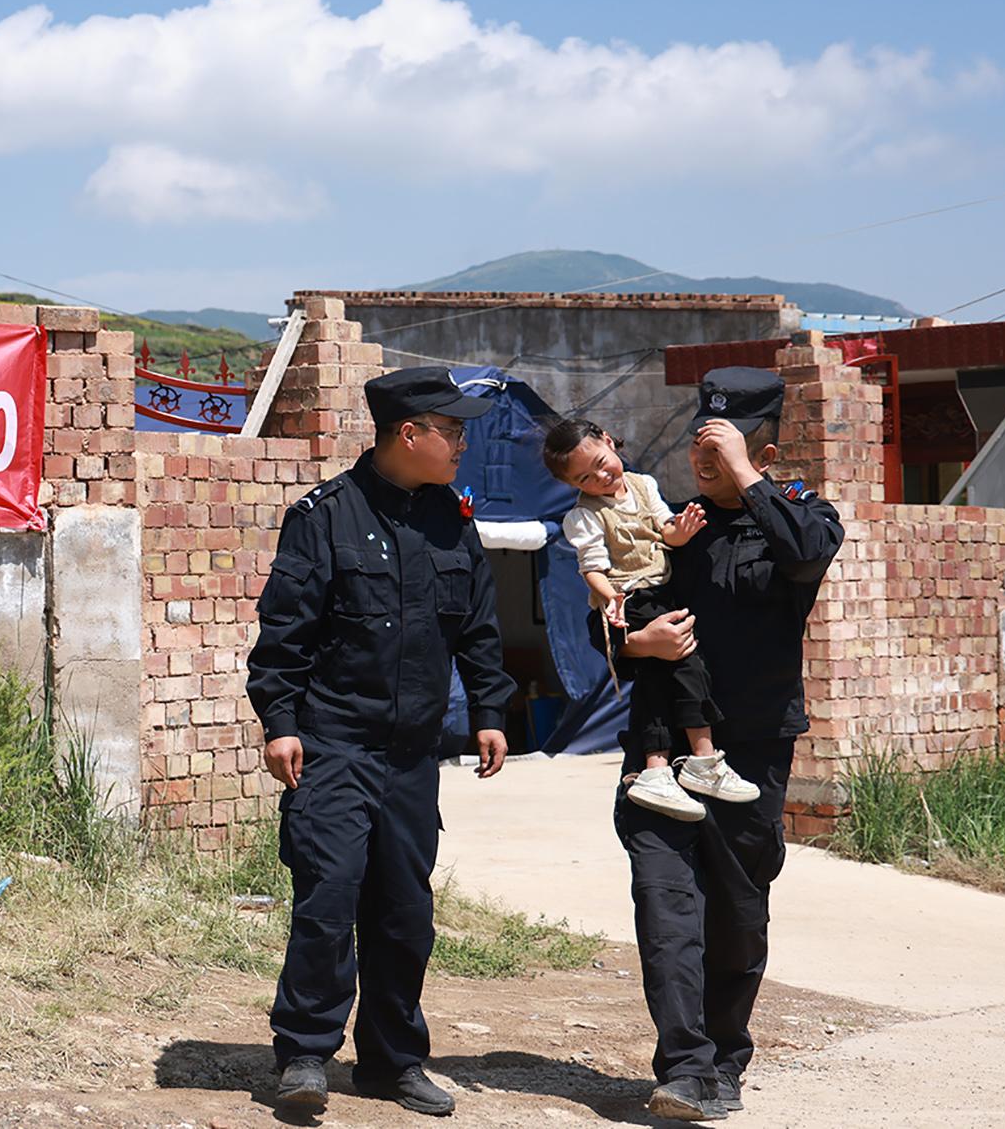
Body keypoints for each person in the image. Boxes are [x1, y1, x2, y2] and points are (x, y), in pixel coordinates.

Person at [248, 366, 518, 1118]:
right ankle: (305, 1052)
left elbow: (479, 629)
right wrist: (281, 723)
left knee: (404, 913)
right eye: (452, 430)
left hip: (411, 756)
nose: (462, 443)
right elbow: (284, 634)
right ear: (410, 433)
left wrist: (490, 710)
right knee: (328, 899)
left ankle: (392, 1061)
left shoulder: (452, 521)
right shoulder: (323, 517)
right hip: (334, 744)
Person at [593, 367, 842, 1121]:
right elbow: (610, 604)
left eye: (721, 448)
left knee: (736, 912)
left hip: (751, 750)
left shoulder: (803, 516)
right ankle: (685, 1067)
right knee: (665, 905)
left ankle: (725, 1058)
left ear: (762, 453)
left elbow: (805, 555)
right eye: (699, 445)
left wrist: (746, 477)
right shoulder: (677, 525)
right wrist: (634, 643)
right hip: (662, 750)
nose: (703, 461)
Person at [542, 419, 760, 821]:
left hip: (662, 593)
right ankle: (702, 758)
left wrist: (683, 531)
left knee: (659, 679)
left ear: (609, 441)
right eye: (584, 478)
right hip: (631, 599)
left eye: (601, 464)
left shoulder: (643, 485)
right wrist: (611, 598)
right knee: (687, 664)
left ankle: (657, 769)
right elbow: (592, 568)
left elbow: (665, 530)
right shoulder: (585, 515)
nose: (600, 478)